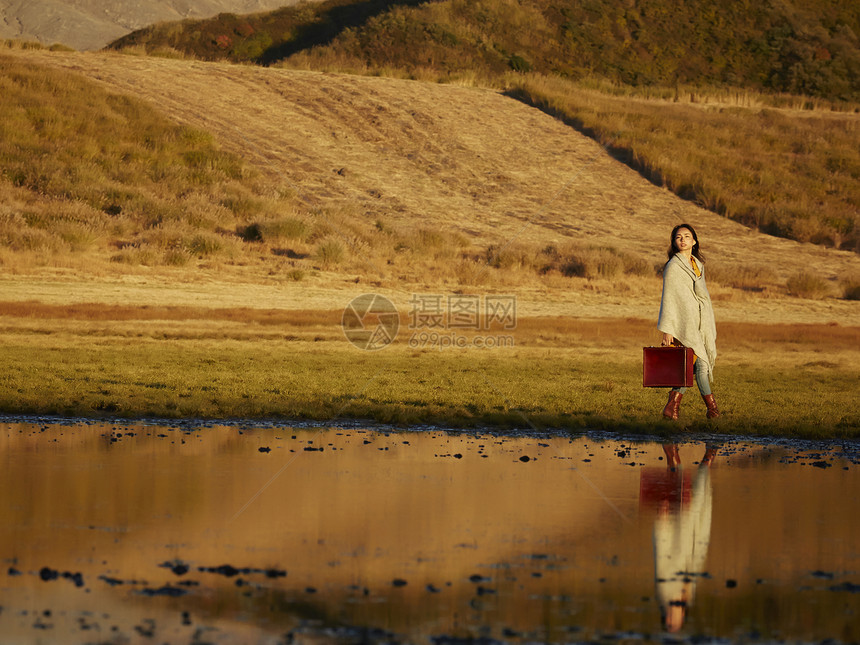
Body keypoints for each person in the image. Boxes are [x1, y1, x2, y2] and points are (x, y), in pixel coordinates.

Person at [657, 224, 720, 420]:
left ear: (694, 241)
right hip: (682, 324)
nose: (682, 239)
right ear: (674, 243)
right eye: (678, 237)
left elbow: (701, 296)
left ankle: (672, 406)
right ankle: (713, 411)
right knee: (700, 364)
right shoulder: (673, 266)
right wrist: (668, 330)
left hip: (699, 323)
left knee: (690, 366)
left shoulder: (697, 265)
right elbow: (669, 299)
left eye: (686, 236)